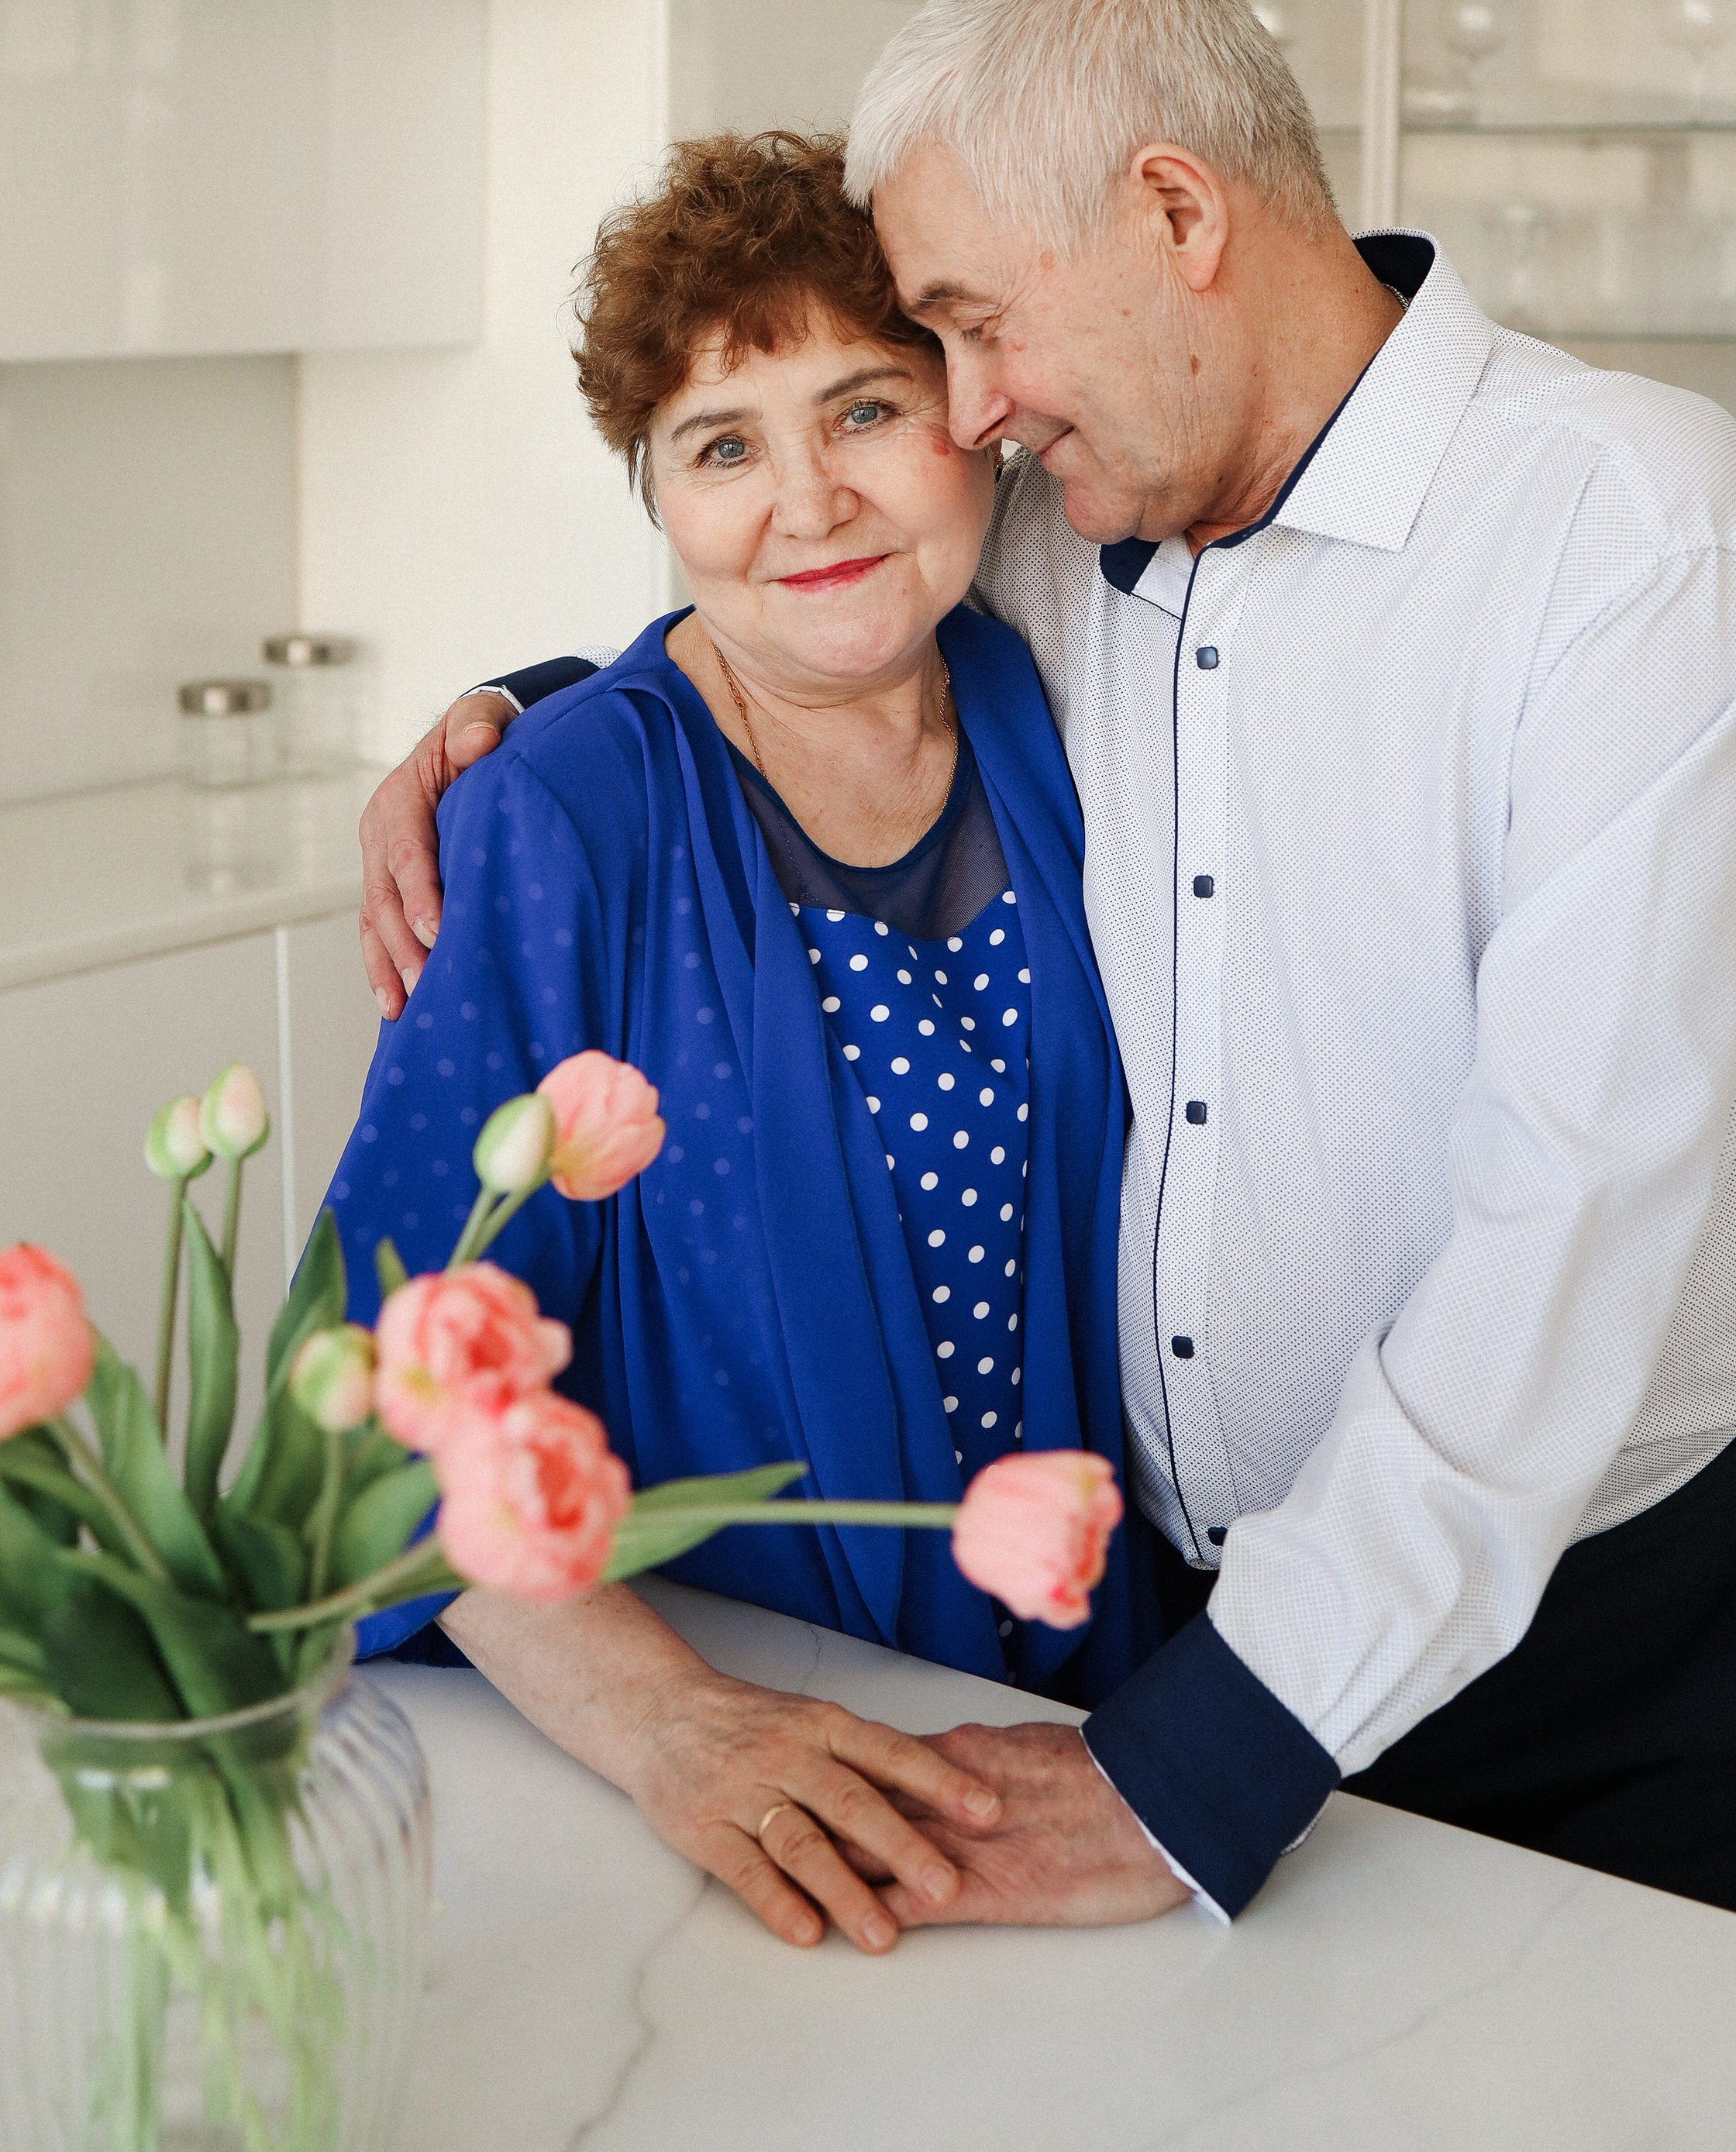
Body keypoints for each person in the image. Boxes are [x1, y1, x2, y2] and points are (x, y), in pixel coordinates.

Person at [359, 0, 1736, 1940]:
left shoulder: (1623, 531)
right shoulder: (1076, 516)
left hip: (1588, 1643)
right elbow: (801, 591)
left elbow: (1583, 1223)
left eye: (976, 329)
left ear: (1175, 211)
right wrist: (522, 724)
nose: (972, 412)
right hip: (1178, 1614)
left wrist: (1213, 1755)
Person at [324, 131, 1155, 1962]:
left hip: (1079, 1699)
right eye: (722, 446)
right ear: (657, 493)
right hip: (736, 1725)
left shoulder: (1048, 697)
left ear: (967, 409)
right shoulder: (562, 808)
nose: (809, 502)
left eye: (862, 409)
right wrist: (670, 1725)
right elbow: (405, 1364)